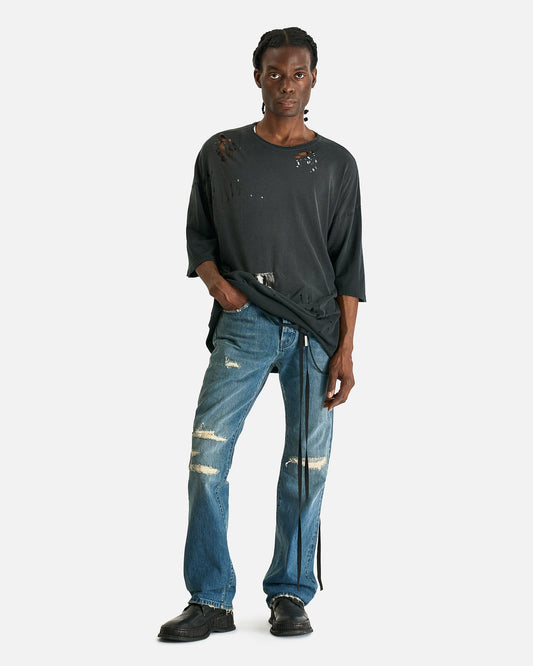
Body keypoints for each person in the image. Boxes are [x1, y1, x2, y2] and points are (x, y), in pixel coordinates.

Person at [158, 26, 366, 641]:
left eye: (298, 73)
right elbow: (199, 235)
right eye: (275, 73)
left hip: (315, 331)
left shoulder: (336, 163)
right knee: (207, 456)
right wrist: (220, 289)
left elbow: (348, 262)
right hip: (244, 324)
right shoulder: (222, 152)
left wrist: (346, 349)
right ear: (257, 77)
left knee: (306, 464)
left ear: (314, 78)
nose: (287, 85)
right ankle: (210, 599)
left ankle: (290, 593)